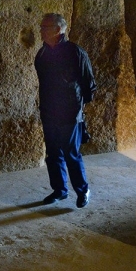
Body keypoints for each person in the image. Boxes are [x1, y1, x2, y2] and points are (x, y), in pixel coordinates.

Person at [35, 13, 96, 208]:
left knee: (71, 153)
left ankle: (82, 190)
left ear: (59, 29)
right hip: (49, 112)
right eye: (42, 27)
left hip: (70, 112)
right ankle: (60, 190)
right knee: (53, 153)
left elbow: (89, 84)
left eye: (46, 27)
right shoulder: (42, 54)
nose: (42, 31)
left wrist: (77, 107)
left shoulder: (75, 52)